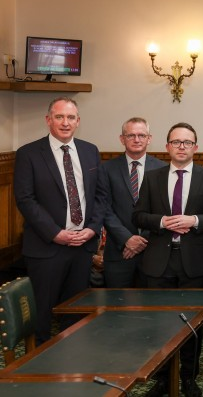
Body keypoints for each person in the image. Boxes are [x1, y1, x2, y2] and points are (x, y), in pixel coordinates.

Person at [133, 122, 203, 397]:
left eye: (187, 142)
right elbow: (138, 216)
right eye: (176, 142)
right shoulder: (152, 177)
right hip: (158, 262)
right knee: (159, 325)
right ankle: (162, 378)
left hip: (194, 262)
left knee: (191, 325)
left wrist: (194, 220)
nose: (181, 147)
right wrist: (162, 221)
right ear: (167, 147)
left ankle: (188, 377)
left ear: (195, 148)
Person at [14, 97, 101, 344]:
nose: (65, 122)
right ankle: (41, 371)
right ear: (48, 119)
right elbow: (25, 199)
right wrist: (55, 233)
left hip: (82, 246)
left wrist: (92, 229)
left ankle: (72, 364)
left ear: (78, 121)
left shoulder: (90, 151)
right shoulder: (28, 153)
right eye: (59, 117)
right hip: (46, 247)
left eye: (71, 117)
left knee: (75, 314)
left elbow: (99, 196)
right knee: (42, 314)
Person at [97, 117, 167, 288]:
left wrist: (142, 241)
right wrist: (127, 238)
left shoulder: (163, 169)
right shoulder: (106, 169)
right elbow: (104, 208)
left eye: (142, 135)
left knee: (153, 309)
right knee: (117, 308)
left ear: (149, 139)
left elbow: (165, 210)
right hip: (119, 252)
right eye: (131, 135)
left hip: (153, 252)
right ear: (122, 139)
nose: (137, 140)